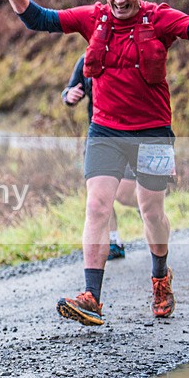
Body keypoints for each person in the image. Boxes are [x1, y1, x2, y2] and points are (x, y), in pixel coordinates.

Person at [0, 0, 189, 326]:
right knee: (97, 206)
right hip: (105, 131)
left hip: (153, 132)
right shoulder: (93, 18)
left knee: (152, 212)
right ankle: (92, 297)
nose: (119, 0)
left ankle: (161, 277)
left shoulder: (160, 18)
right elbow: (39, 19)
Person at [62, 53, 139, 260]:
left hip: (129, 134)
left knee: (123, 194)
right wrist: (69, 96)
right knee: (99, 193)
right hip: (98, 137)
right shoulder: (87, 58)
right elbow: (70, 89)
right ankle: (113, 242)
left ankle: (146, 207)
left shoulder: (130, 54)